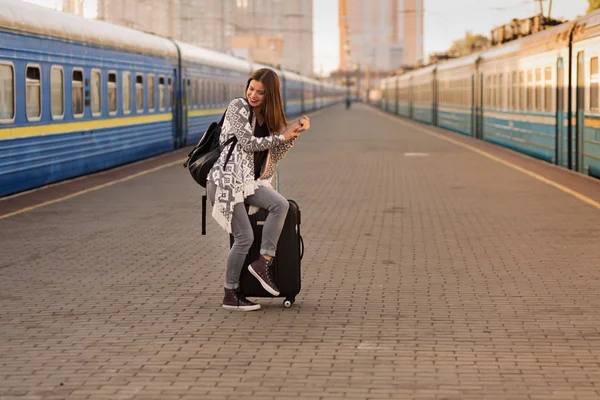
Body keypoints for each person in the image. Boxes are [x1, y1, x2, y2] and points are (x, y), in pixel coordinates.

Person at [206, 68, 310, 311]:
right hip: (226, 183)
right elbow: (248, 143)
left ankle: (263, 262)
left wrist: (294, 132)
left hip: (247, 183)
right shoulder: (238, 106)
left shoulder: (266, 119)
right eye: (251, 89)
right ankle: (230, 293)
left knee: (280, 205)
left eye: (260, 93)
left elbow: (273, 155)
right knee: (244, 237)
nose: (253, 95)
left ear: (270, 95)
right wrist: (282, 137)